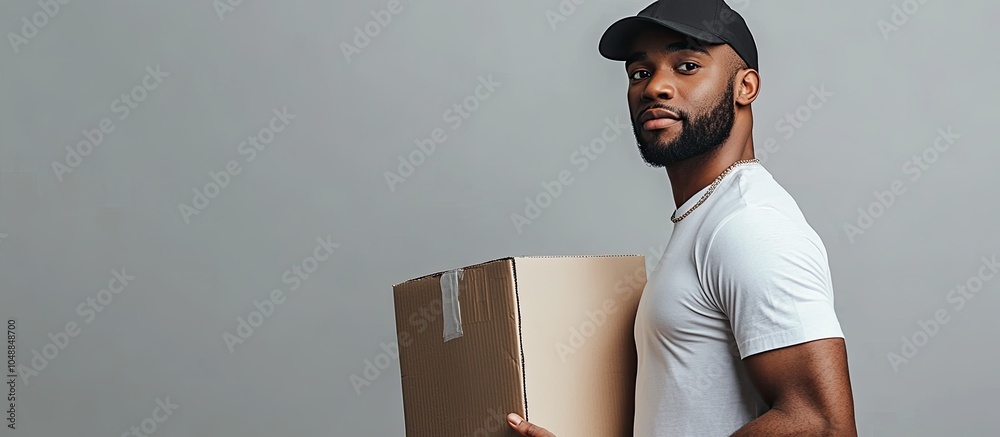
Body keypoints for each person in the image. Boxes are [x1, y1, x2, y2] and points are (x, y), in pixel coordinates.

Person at [507, 1, 858, 435]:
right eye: (640, 73)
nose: (656, 87)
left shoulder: (750, 225)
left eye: (687, 65)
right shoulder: (707, 216)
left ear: (745, 87)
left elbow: (822, 424)